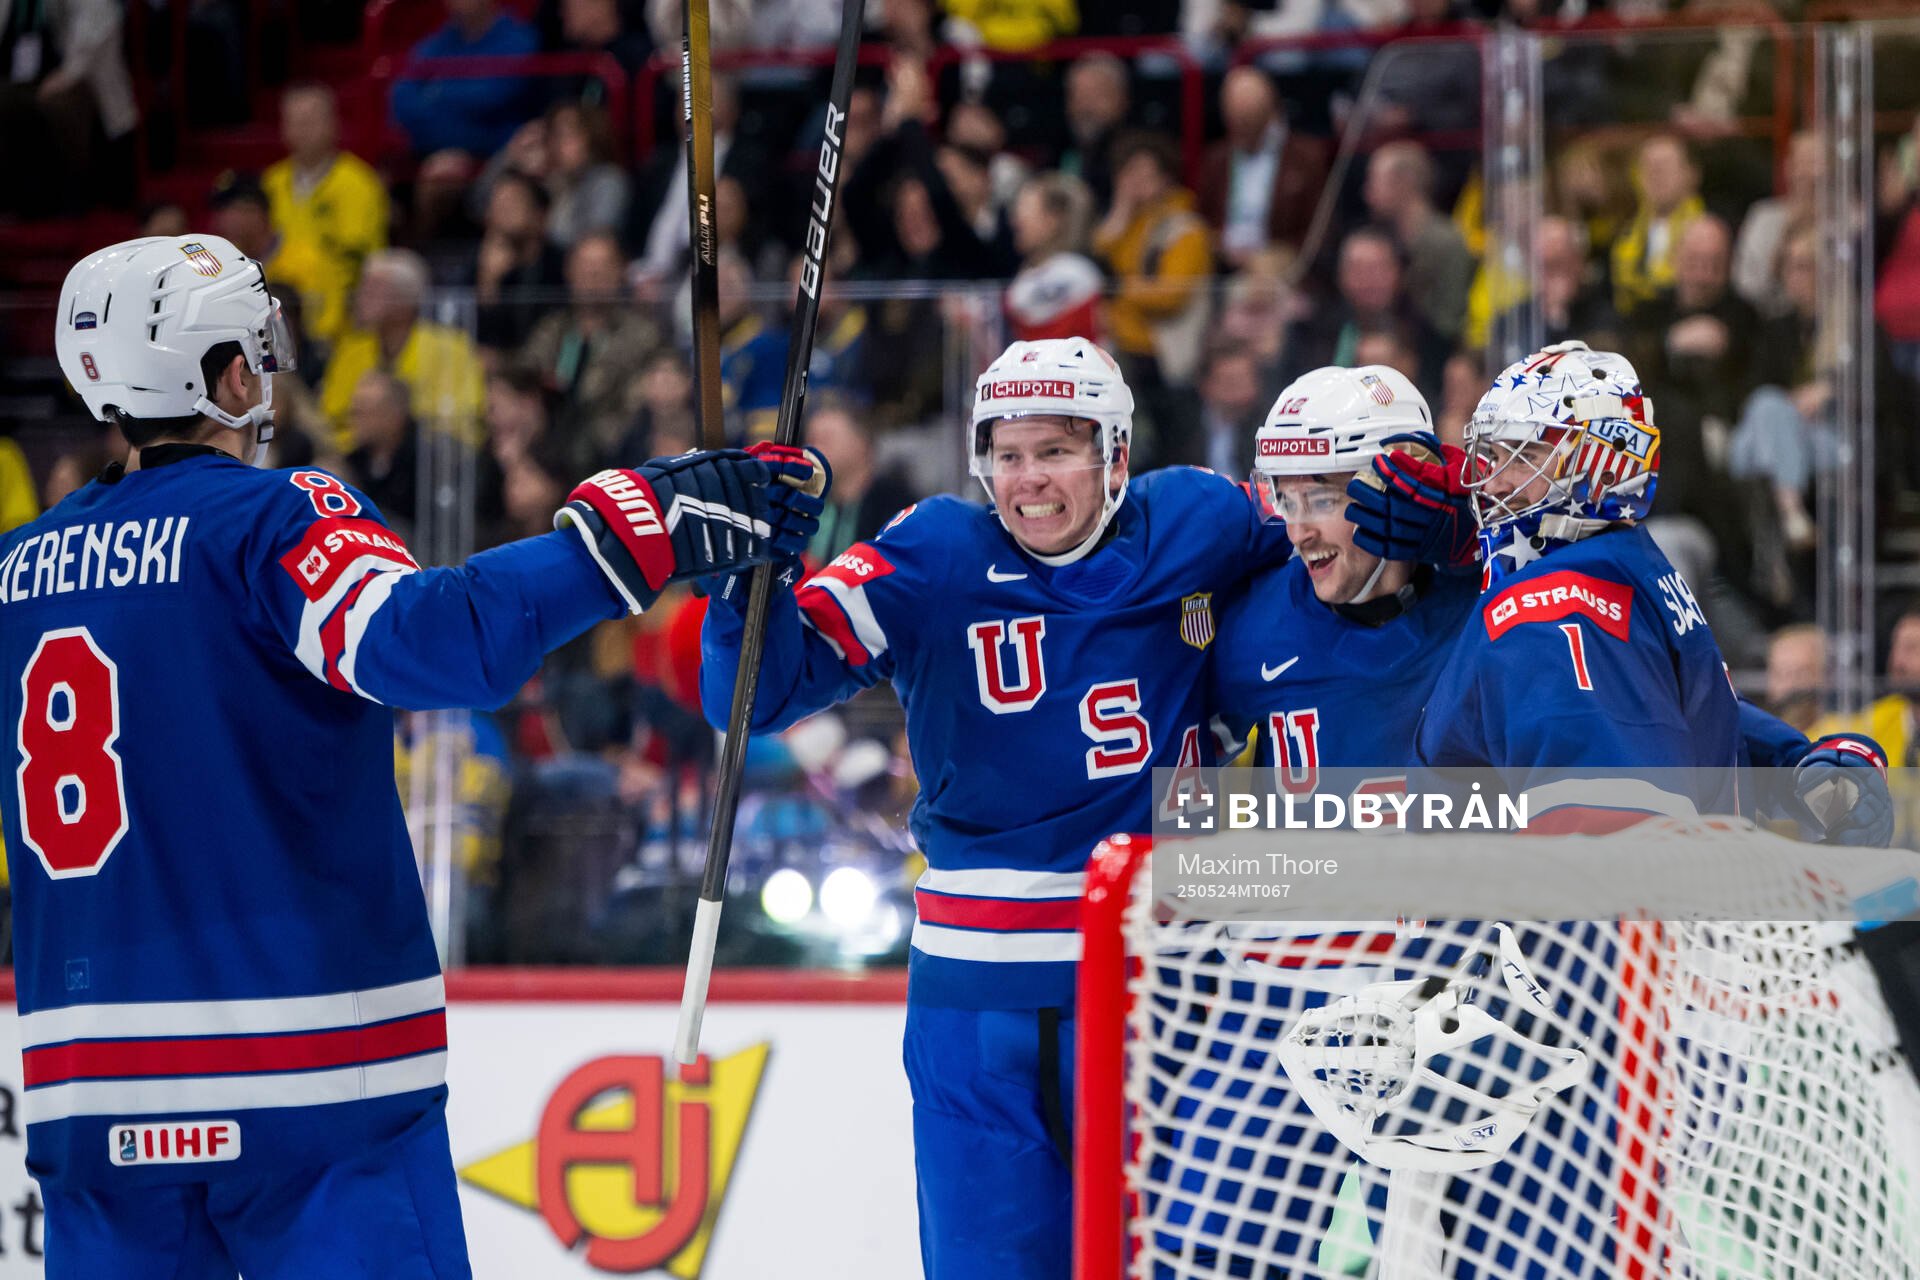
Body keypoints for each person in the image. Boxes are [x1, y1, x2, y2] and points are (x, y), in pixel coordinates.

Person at [5, 233, 824, 1279]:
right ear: (225, 372)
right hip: (307, 1080)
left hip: (89, 1095)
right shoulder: (271, 520)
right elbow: (444, 642)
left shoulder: (15, 568)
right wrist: (651, 523)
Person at [699, 336, 1294, 1278]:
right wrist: (750, 572)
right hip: (979, 999)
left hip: (1161, 981)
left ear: (1114, 454)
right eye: (1008, 454)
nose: (1030, 482)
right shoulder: (933, 549)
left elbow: (1333, 541)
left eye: (1055, 450)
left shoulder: (1201, 518)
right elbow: (760, 698)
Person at [1412, 342, 1888, 842]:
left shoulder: (1551, 603)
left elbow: (1607, 839)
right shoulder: (1624, 560)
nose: (1490, 482)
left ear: (1598, 463)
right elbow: (1672, 703)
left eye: (1522, 455)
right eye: (1491, 455)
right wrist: (1787, 759)